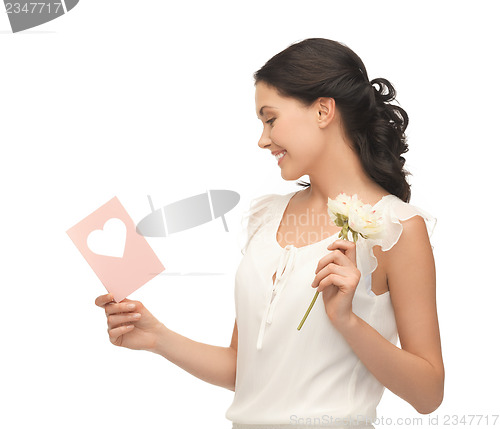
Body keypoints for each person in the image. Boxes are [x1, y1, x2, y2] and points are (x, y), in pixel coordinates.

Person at [95, 38, 444, 428]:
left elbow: (428, 394)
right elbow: (243, 370)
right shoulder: (266, 216)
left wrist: (347, 321)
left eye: (270, 119)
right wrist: (157, 337)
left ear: (323, 111)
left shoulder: (397, 228)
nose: (262, 139)